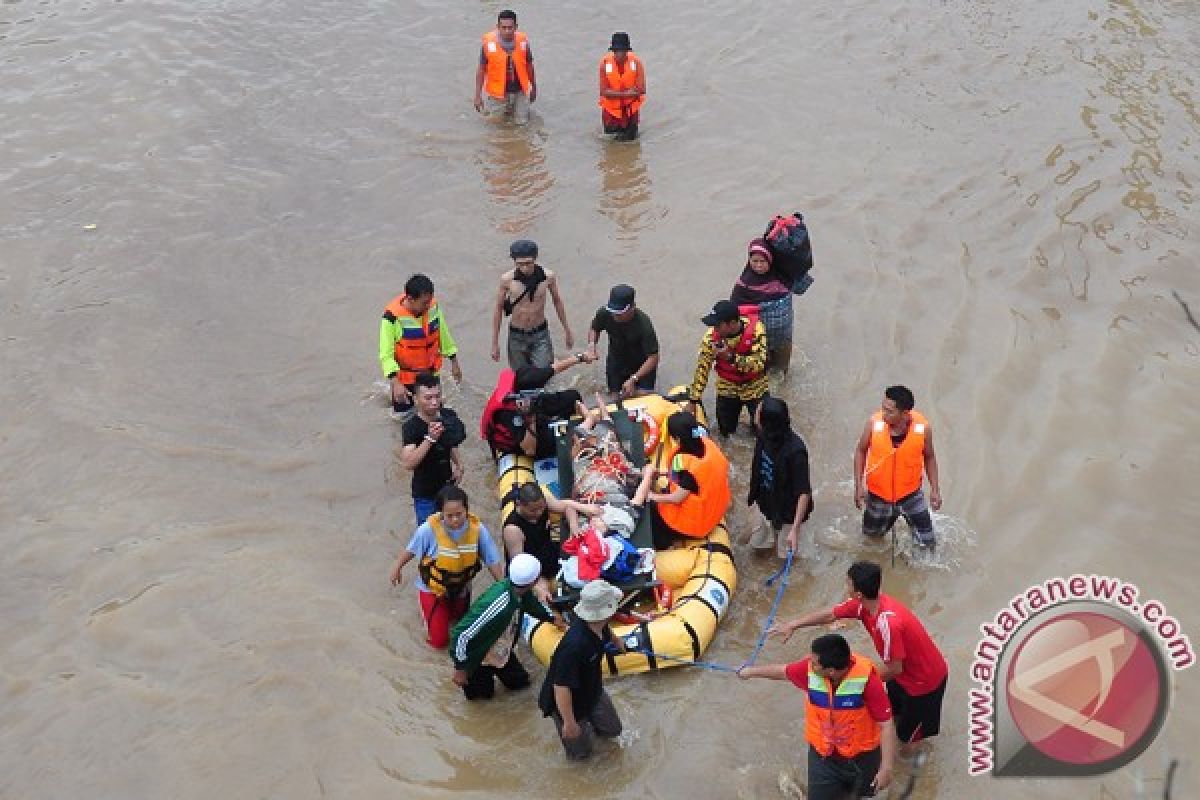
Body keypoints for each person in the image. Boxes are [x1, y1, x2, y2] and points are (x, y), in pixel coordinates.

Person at [768, 561, 948, 754]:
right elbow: (831, 615)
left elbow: (895, 668)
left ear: (858, 593)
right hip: (903, 675)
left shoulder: (887, 623)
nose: (846, 587)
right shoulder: (863, 606)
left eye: (848, 584)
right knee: (892, 715)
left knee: (909, 739)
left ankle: (909, 767)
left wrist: (855, 684)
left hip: (925, 683)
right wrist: (793, 625)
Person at [738, 633, 896, 799]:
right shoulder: (810, 671)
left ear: (831, 671)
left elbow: (886, 725)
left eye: (814, 663)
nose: (809, 664)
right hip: (823, 759)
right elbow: (783, 672)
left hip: (863, 759)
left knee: (865, 795)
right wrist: (749, 672)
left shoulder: (868, 682)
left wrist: (886, 768)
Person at [389, 486, 505, 649]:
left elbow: (492, 561)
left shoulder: (478, 530)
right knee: (439, 642)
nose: (455, 520)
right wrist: (397, 568)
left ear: (467, 510)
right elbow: (411, 550)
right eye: (449, 516)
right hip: (434, 590)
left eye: (459, 514)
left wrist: (504, 587)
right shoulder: (428, 530)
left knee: (461, 629)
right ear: (441, 513)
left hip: (461, 588)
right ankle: (428, 619)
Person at [448, 553, 565, 700]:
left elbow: (530, 603)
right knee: (482, 700)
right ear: (534, 581)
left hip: (501, 648)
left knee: (520, 684)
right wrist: (461, 668)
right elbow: (460, 634)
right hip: (478, 657)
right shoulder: (498, 603)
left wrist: (551, 618)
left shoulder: (520, 591)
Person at [538, 579, 627, 759]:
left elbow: (606, 629)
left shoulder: (596, 622)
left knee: (613, 730)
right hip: (568, 701)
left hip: (591, 687)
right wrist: (570, 723)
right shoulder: (574, 646)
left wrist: (618, 643)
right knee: (581, 755)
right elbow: (561, 687)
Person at [853, 385, 941, 548]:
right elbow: (860, 451)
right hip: (879, 497)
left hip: (911, 496)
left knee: (928, 546)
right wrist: (858, 486)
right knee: (870, 543)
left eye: (889, 411)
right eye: (883, 408)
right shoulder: (873, 423)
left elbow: (930, 457)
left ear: (905, 413)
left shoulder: (923, 429)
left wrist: (935, 490)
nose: (884, 414)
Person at [630, 411, 731, 550]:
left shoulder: (691, 469)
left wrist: (651, 496)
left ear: (677, 438)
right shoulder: (706, 445)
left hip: (697, 523)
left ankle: (664, 544)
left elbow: (677, 498)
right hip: (713, 508)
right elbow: (685, 479)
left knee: (651, 513)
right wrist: (663, 473)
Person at [480, 351, 596, 458]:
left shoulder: (530, 381)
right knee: (554, 441)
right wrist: (530, 417)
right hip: (524, 431)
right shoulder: (507, 411)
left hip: (533, 404)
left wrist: (580, 357)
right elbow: (530, 450)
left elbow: (554, 368)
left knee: (572, 396)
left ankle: (573, 423)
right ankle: (578, 432)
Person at [379, 273, 462, 414]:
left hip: (430, 376)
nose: (428, 305)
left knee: (436, 415)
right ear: (410, 299)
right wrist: (395, 382)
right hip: (405, 381)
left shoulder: (433, 308)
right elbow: (385, 354)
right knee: (403, 419)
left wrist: (454, 362)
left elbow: (443, 334)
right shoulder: (392, 318)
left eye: (429, 301)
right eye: (424, 303)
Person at [686, 299, 769, 436]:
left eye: (718, 325)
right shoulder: (710, 338)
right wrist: (693, 400)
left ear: (731, 324)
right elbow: (702, 369)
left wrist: (730, 357)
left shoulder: (757, 331)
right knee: (726, 433)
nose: (714, 329)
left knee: (762, 431)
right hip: (727, 386)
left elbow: (758, 364)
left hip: (756, 386)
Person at [490, 239, 575, 370]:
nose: (524, 268)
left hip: (540, 333)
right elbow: (498, 309)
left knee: (545, 372)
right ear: (514, 261)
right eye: (520, 264)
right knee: (520, 376)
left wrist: (567, 330)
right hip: (516, 335)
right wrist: (495, 343)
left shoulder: (548, 277)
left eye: (528, 263)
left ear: (535, 259)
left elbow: (557, 301)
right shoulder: (507, 280)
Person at [503, 482, 601, 590]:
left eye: (541, 507)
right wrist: (537, 581)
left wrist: (574, 527)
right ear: (519, 504)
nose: (539, 512)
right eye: (533, 510)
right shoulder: (513, 530)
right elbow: (520, 566)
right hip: (531, 565)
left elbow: (567, 508)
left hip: (547, 551)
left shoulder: (543, 503)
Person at [747, 398, 813, 557]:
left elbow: (804, 492)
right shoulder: (764, 433)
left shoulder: (796, 452)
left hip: (788, 513)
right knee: (758, 545)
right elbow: (757, 420)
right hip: (764, 502)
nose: (757, 414)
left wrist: (795, 529)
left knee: (786, 554)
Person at [400, 372, 466, 525]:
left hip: (448, 488)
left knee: (454, 528)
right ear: (416, 399)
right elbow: (408, 464)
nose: (435, 402)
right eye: (428, 398)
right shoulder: (411, 427)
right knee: (428, 535)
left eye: (437, 396)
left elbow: (452, 443)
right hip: (425, 494)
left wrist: (459, 465)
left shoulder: (448, 415)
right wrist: (430, 439)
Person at [730, 238, 794, 372]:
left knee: (782, 370)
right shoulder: (744, 284)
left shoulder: (783, 276)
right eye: (754, 261)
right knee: (762, 371)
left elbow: (801, 284)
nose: (758, 265)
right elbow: (733, 312)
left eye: (763, 261)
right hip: (759, 337)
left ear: (770, 260)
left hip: (783, 336)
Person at [587, 284, 659, 399]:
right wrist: (592, 346)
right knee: (615, 398)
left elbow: (653, 358)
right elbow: (595, 328)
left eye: (620, 312)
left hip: (641, 363)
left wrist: (634, 378)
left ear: (632, 307)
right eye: (613, 311)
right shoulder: (604, 313)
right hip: (616, 360)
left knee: (644, 397)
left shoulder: (644, 324)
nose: (615, 315)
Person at [474, 10, 537, 125]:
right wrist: (477, 95)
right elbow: (481, 69)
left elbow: (530, 66)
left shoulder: (523, 43)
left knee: (522, 124)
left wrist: (534, 88)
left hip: (520, 90)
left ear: (516, 27)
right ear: (498, 27)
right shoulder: (488, 45)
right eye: (504, 27)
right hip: (498, 92)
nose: (507, 31)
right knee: (496, 125)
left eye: (510, 27)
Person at [598, 32, 645, 141]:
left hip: (630, 114)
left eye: (623, 51)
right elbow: (603, 91)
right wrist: (626, 94)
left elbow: (641, 89)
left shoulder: (636, 63)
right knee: (610, 145)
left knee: (632, 144)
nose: (620, 54)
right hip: (611, 114)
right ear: (613, 51)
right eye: (617, 51)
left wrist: (613, 93)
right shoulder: (604, 63)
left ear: (627, 51)